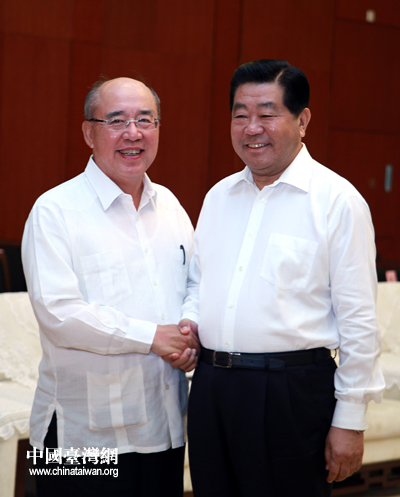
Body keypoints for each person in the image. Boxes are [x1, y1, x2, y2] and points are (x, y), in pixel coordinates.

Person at [180, 59, 385, 497]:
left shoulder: (337, 201)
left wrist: (350, 420)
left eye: (267, 114)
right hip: (212, 387)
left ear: (302, 120)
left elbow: (360, 320)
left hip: (289, 393)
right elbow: (199, 283)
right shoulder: (218, 197)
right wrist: (190, 321)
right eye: (240, 115)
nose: (252, 128)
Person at [22, 76, 199, 497]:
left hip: (164, 428)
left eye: (145, 120)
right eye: (116, 121)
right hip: (79, 434)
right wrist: (153, 337)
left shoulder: (171, 206)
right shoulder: (54, 210)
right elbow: (59, 314)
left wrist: (189, 329)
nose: (133, 133)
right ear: (89, 132)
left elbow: (196, 282)